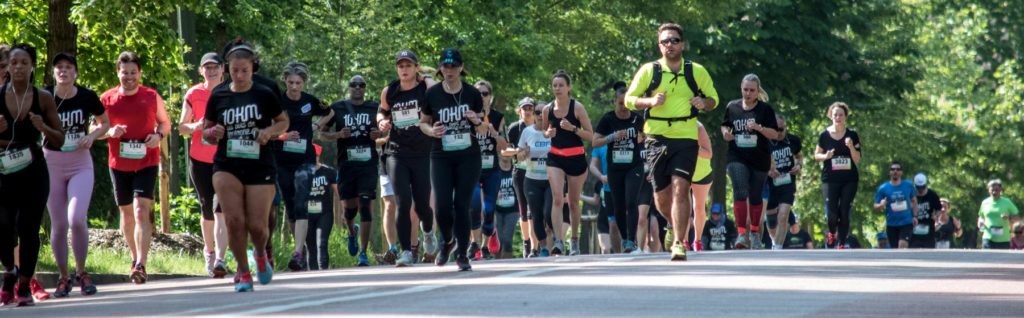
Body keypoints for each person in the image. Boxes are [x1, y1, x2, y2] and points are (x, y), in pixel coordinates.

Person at [625, 23, 719, 261]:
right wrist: (649, 102)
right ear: (659, 45)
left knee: (680, 187)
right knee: (661, 197)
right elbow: (628, 99)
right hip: (655, 136)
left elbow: (713, 99)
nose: (670, 45)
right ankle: (671, 223)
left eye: (674, 40)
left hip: (686, 136)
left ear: (683, 43)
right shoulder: (650, 70)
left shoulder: (696, 71)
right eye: (665, 41)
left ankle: (679, 241)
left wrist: (703, 102)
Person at [203, 39, 288, 292]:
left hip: (259, 164)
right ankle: (243, 271)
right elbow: (206, 131)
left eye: (245, 70)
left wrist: (269, 132)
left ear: (253, 69)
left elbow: (283, 122)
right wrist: (213, 132)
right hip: (226, 163)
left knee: (257, 226)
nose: (239, 75)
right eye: (235, 70)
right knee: (233, 220)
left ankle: (260, 253)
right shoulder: (218, 94)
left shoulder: (264, 93)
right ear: (228, 68)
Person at [0, 44, 65, 307]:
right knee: (3, 227)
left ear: (32, 67)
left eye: (23, 62)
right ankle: (9, 272)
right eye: (13, 62)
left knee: (28, 228)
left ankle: (24, 285)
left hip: (33, 169)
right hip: (3, 168)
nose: (17, 67)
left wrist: (43, 126)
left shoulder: (44, 98)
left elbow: (59, 139)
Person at [99, 51, 171, 283]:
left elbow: (165, 123)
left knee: (142, 210)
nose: (129, 77)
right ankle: (133, 257)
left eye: (133, 72)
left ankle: (141, 262)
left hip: (146, 160)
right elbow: (94, 129)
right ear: (118, 73)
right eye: (124, 72)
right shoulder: (107, 99)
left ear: (139, 73)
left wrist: (158, 136)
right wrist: (109, 131)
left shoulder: (150, 96)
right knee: (127, 214)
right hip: (119, 163)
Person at [44, 52, 109, 297]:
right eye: (58, 67)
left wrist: (92, 136)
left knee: (76, 218)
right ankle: (63, 277)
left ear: (76, 73)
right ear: (53, 73)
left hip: (80, 163)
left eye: (68, 67)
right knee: (59, 224)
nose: (63, 71)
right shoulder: (44, 96)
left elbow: (105, 122)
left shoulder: (87, 96)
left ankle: (82, 272)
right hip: (52, 163)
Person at [420, 48, 487, 271]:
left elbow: (485, 126)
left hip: (468, 155)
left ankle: (461, 254)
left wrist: (475, 120)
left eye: (453, 66)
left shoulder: (472, 94)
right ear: (440, 69)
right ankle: (447, 240)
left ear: (460, 68)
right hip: (441, 156)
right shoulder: (432, 94)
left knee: (462, 205)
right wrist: (432, 131)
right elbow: (423, 123)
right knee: (442, 207)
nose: (449, 70)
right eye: (445, 66)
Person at [377, 50, 438, 266]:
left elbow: (436, 90)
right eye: (400, 66)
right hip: (396, 153)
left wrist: (426, 76)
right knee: (402, 202)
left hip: (422, 153)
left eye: (408, 65)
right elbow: (382, 112)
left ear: (416, 68)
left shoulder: (424, 88)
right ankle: (406, 251)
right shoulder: (390, 90)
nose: (404, 69)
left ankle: (428, 232)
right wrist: (381, 122)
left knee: (422, 205)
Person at [275, 62, 333, 271]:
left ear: (304, 82)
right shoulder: (277, 101)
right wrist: (282, 136)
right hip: (282, 159)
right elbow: (265, 128)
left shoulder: (310, 101)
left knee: (302, 201)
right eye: (290, 82)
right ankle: (300, 248)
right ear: (285, 81)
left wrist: (317, 125)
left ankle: (298, 253)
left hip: (305, 159)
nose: (294, 87)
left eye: (298, 82)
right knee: (291, 207)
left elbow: (330, 111)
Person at [178, 52, 230, 278]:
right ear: (201, 71)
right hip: (199, 159)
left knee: (222, 209)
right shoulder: (194, 93)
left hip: (225, 158)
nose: (211, 71)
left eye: (215, 67)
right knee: (207, 208)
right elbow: (181, 127)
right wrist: (197, 126)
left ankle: (220, 258)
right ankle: (208, 252)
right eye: (206, 67)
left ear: (223, 69)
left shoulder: (231, 92)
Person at [323, 75, 380, 267]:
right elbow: (321, 132)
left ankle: (363, 253)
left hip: (368, 164)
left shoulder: (374, 107)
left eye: (361, 85)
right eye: (353, 85)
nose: (357, 88)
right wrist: (338, 134)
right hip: (346, 165)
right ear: (349, 88)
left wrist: (379, 134)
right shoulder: (337, 107)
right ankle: (351, 232)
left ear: (365, 88)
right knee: (350, 210)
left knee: (365, 205)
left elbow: (386, 129)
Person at [538, 70, 594, 256]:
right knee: (556, 197)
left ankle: (575, 241)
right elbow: (545, 130)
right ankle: (558, 241)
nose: (557, 88)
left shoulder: (577, 108)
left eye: (561, 85)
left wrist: (573, 129)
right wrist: (548, 134)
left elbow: (590, 135)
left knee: (573, 203)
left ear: (568, 87)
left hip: (576, 158)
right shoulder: (547, 109)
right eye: (555, 85)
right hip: (555, 157)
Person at [720, 74, 779, 250]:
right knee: (739, 189)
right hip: (736, 156)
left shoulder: (765, 110)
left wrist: (759, 128)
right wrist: (725, 133)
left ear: (757, 91)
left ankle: (754, 233)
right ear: (741, 89)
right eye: (745, 89)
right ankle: (741, 234)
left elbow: (775, 134)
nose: (748, 93)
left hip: (759, 159)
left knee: (755, 195)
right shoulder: (732, 107)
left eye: (752, 90)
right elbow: (725, 125)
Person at [593, 81, 644, 253]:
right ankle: (626, 240)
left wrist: (642, 138)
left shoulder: (637, 118)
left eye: (627, 103)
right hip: (614, 168)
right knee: (618, 206)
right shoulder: (608, 119)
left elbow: (647, 136)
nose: (624, 107)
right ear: (614, 102)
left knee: (631, 201)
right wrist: (612, 137)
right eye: (620, 103)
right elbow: (595, 141)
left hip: (634, 167)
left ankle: (632, 240)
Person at [814, 102, 861, 249]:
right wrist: (826, 156)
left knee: (844, 210)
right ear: (830, 116)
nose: (838, 117)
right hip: (830, 179)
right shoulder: (824, 135)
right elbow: (816, 156)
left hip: (849, 179)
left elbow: (857, 159)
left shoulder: (852, 135)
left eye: (841, 114)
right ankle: (832, 233)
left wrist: (851, 146)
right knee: (832, 213)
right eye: (835, 114)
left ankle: (841, 242)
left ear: (845, 117)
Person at [469, 80, 507, 260]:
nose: (482, 97)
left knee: (489, 209)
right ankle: (474, 243)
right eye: (478, 93)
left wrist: (494, 133)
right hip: (472, 168)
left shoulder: (498, 117)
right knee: (474, 206)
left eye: (485, 93)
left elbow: (504, 147)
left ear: (490, 97)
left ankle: (484, 246)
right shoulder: (468, 114)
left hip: (492, 169)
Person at [503, 97, 538, 257]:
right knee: (524, 210)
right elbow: (504, 151)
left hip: (538, 171)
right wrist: (519, 151)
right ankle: (527, 243)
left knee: (535, 210)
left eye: (531, 108)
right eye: (525, 109)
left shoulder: (541, 128)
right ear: (520, 111)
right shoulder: (514, 128)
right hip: (520, 172)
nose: (528, 112)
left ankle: (537, 245)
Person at [518, 107, 552, 257]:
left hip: (551, 180)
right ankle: (543, 246)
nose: (539, 116)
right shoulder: (527, 132)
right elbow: (518, 156)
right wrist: (523, 153)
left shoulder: (554, 132)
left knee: (549, 212)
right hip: (532, 180)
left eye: (543, 113)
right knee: (537, 215)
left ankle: (557, 240)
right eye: (537, 113)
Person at [766, 114, 802, 250]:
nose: (779, 133)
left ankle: (778, 246)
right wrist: (768, 171)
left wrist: (798, 165)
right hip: (770, 185)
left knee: (783, 214)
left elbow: (799, 156)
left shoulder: (793, 140)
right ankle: (774, 240)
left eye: (782, 129)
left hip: (788, 183)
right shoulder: (764, 142)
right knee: (771, 219)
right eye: (776, 129)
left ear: (785, 127)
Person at [873, 161, 917, 249]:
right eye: (892, 169)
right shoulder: (883, 188)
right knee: (894, 249)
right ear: (889, 172)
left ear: (901, 172)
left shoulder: (908, 185)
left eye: (898, 169)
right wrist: (881, 205)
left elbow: (914, 201)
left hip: (906, 222)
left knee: (902, 245)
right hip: (891, 224)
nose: (895, 171)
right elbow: (875, 206)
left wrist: (914, 216)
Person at [305, 144, 336, 270]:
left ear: (319, 156)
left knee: (321, 243)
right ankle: (313, 276)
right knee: (310, 246)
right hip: (306, 215)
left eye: (315, 156)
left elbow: (338, 192)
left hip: (325, 213)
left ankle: (323, 271)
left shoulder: (329, 172)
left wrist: (343, 212)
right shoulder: (301, 173)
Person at [977, 179, 1019, 249]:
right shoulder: (985, 202)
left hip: (1003, 240)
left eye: (996, 190)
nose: (994, 192)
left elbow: (1017, 218)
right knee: (987, 259)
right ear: (988, 190)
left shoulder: (1007, 202)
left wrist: (1008, 217)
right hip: (988, 238)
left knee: (1002, 260)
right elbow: (981, 217)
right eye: (992, 190)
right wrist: (980, 222)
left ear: (1000, 190)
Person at [589, 145, 615, 253]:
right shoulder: (599, 183)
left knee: (618, 247)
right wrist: (578, 197)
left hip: (619, 216)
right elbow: (595, 201)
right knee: (605, 249)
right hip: (603, 219)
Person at [493, 155, 519, 259]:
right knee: (498, 240)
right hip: (497, 210)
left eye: (508, 152)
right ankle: (497, 265)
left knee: (507, 240)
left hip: (513, 210)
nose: (506, 155)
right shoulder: (495, 170)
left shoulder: (515, 169)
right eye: (503, 151)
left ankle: (508, 264)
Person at [911, 173, 941, 248]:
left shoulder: (932, 195)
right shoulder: (910, 195)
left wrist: (936, 215)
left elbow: (938, 209)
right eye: (918, 188)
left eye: (923, 187)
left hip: (928, 228)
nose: (920, 190)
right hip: (913, 228)